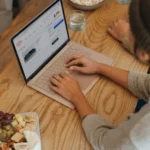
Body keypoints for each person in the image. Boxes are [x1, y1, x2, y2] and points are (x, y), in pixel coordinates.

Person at [50, 0, 150, 149]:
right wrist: (99, 67)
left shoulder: (143, 129)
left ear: (143, 53)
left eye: (130, 28)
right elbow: (146, 85)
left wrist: (76, 96)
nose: (126, 28)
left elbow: (106, 143)